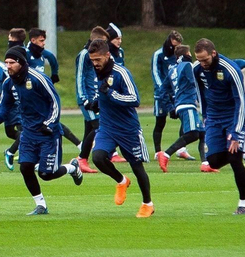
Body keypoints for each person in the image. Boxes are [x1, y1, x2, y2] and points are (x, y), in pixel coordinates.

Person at [0, 47, 82, 215]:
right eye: (6, 62)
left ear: (21, 62)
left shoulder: (38, 78)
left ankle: (72, 168)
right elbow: (5, 106)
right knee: (25, 167)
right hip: (28, 133)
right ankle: (41, 205)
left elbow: (55, 102)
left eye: (11, 62)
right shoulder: (8, 83)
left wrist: (49, 124)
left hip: (48, 133)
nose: (7, 66)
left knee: (46, 174)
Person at [82, 38, 153, 217]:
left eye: (98, 59)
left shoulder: (121, 73)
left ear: (107, 55)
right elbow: (102, 93)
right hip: (107, 127)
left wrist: (110, 93)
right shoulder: (97, 72)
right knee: (98, 157)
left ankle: (147, 204)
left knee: (137, 166)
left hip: (128, 129)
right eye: (92, 60)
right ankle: (122, 181)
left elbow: (134, 99)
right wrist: (96, 103)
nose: (95, 63)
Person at [191, 38, 245, 215]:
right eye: (199, 60)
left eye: (205, 60)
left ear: (213, 53)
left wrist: (236, 133)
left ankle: (244, 203)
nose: (202, 63)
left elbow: (240, 102)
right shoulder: (197, 69)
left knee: (234, 157)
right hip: (213, 117)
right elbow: (200, 93)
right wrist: (205, 116)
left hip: (234, 116)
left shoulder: (231, 69)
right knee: (212, 161)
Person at [26, 28, 81, 148]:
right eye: (41, 41)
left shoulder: (41, 53)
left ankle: (79, 144)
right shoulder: (25, 54)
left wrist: (54, 74)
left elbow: (52, 58)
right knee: (31, 125)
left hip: (40, 96)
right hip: (29, 97)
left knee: (50, 123)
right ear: (33, 40)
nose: (44, 43)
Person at [156, 44, 204, 172]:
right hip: (188, 103)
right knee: (194, 134)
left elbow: (162, 91)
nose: (191, 55)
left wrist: (170, 107)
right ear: (186, 54)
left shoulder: (172, 69)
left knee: (202, 133)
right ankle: (166, 154)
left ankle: (206, 163)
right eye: (189, 53)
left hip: (180, 105)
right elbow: (194, 82)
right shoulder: (187, 65)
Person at [72, 26, 110, 172]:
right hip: (87, 98)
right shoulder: (83, 55)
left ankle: (82, 160)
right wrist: (84, 99)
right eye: (103, 41)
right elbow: (80, 77)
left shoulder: (97, 56)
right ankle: (83, 158)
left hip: (95, 97)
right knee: (99, 126)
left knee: (89, 129)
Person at [150, 31, 182, 157]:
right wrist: (163, 90)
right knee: (160, 122)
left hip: (176, 94)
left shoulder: (178, 55)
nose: (176, 48)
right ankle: (158, 151)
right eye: (174, 45)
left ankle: (182, 149)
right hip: (161, 95)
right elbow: (155, 73)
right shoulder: (158, 54)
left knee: (184, 118)